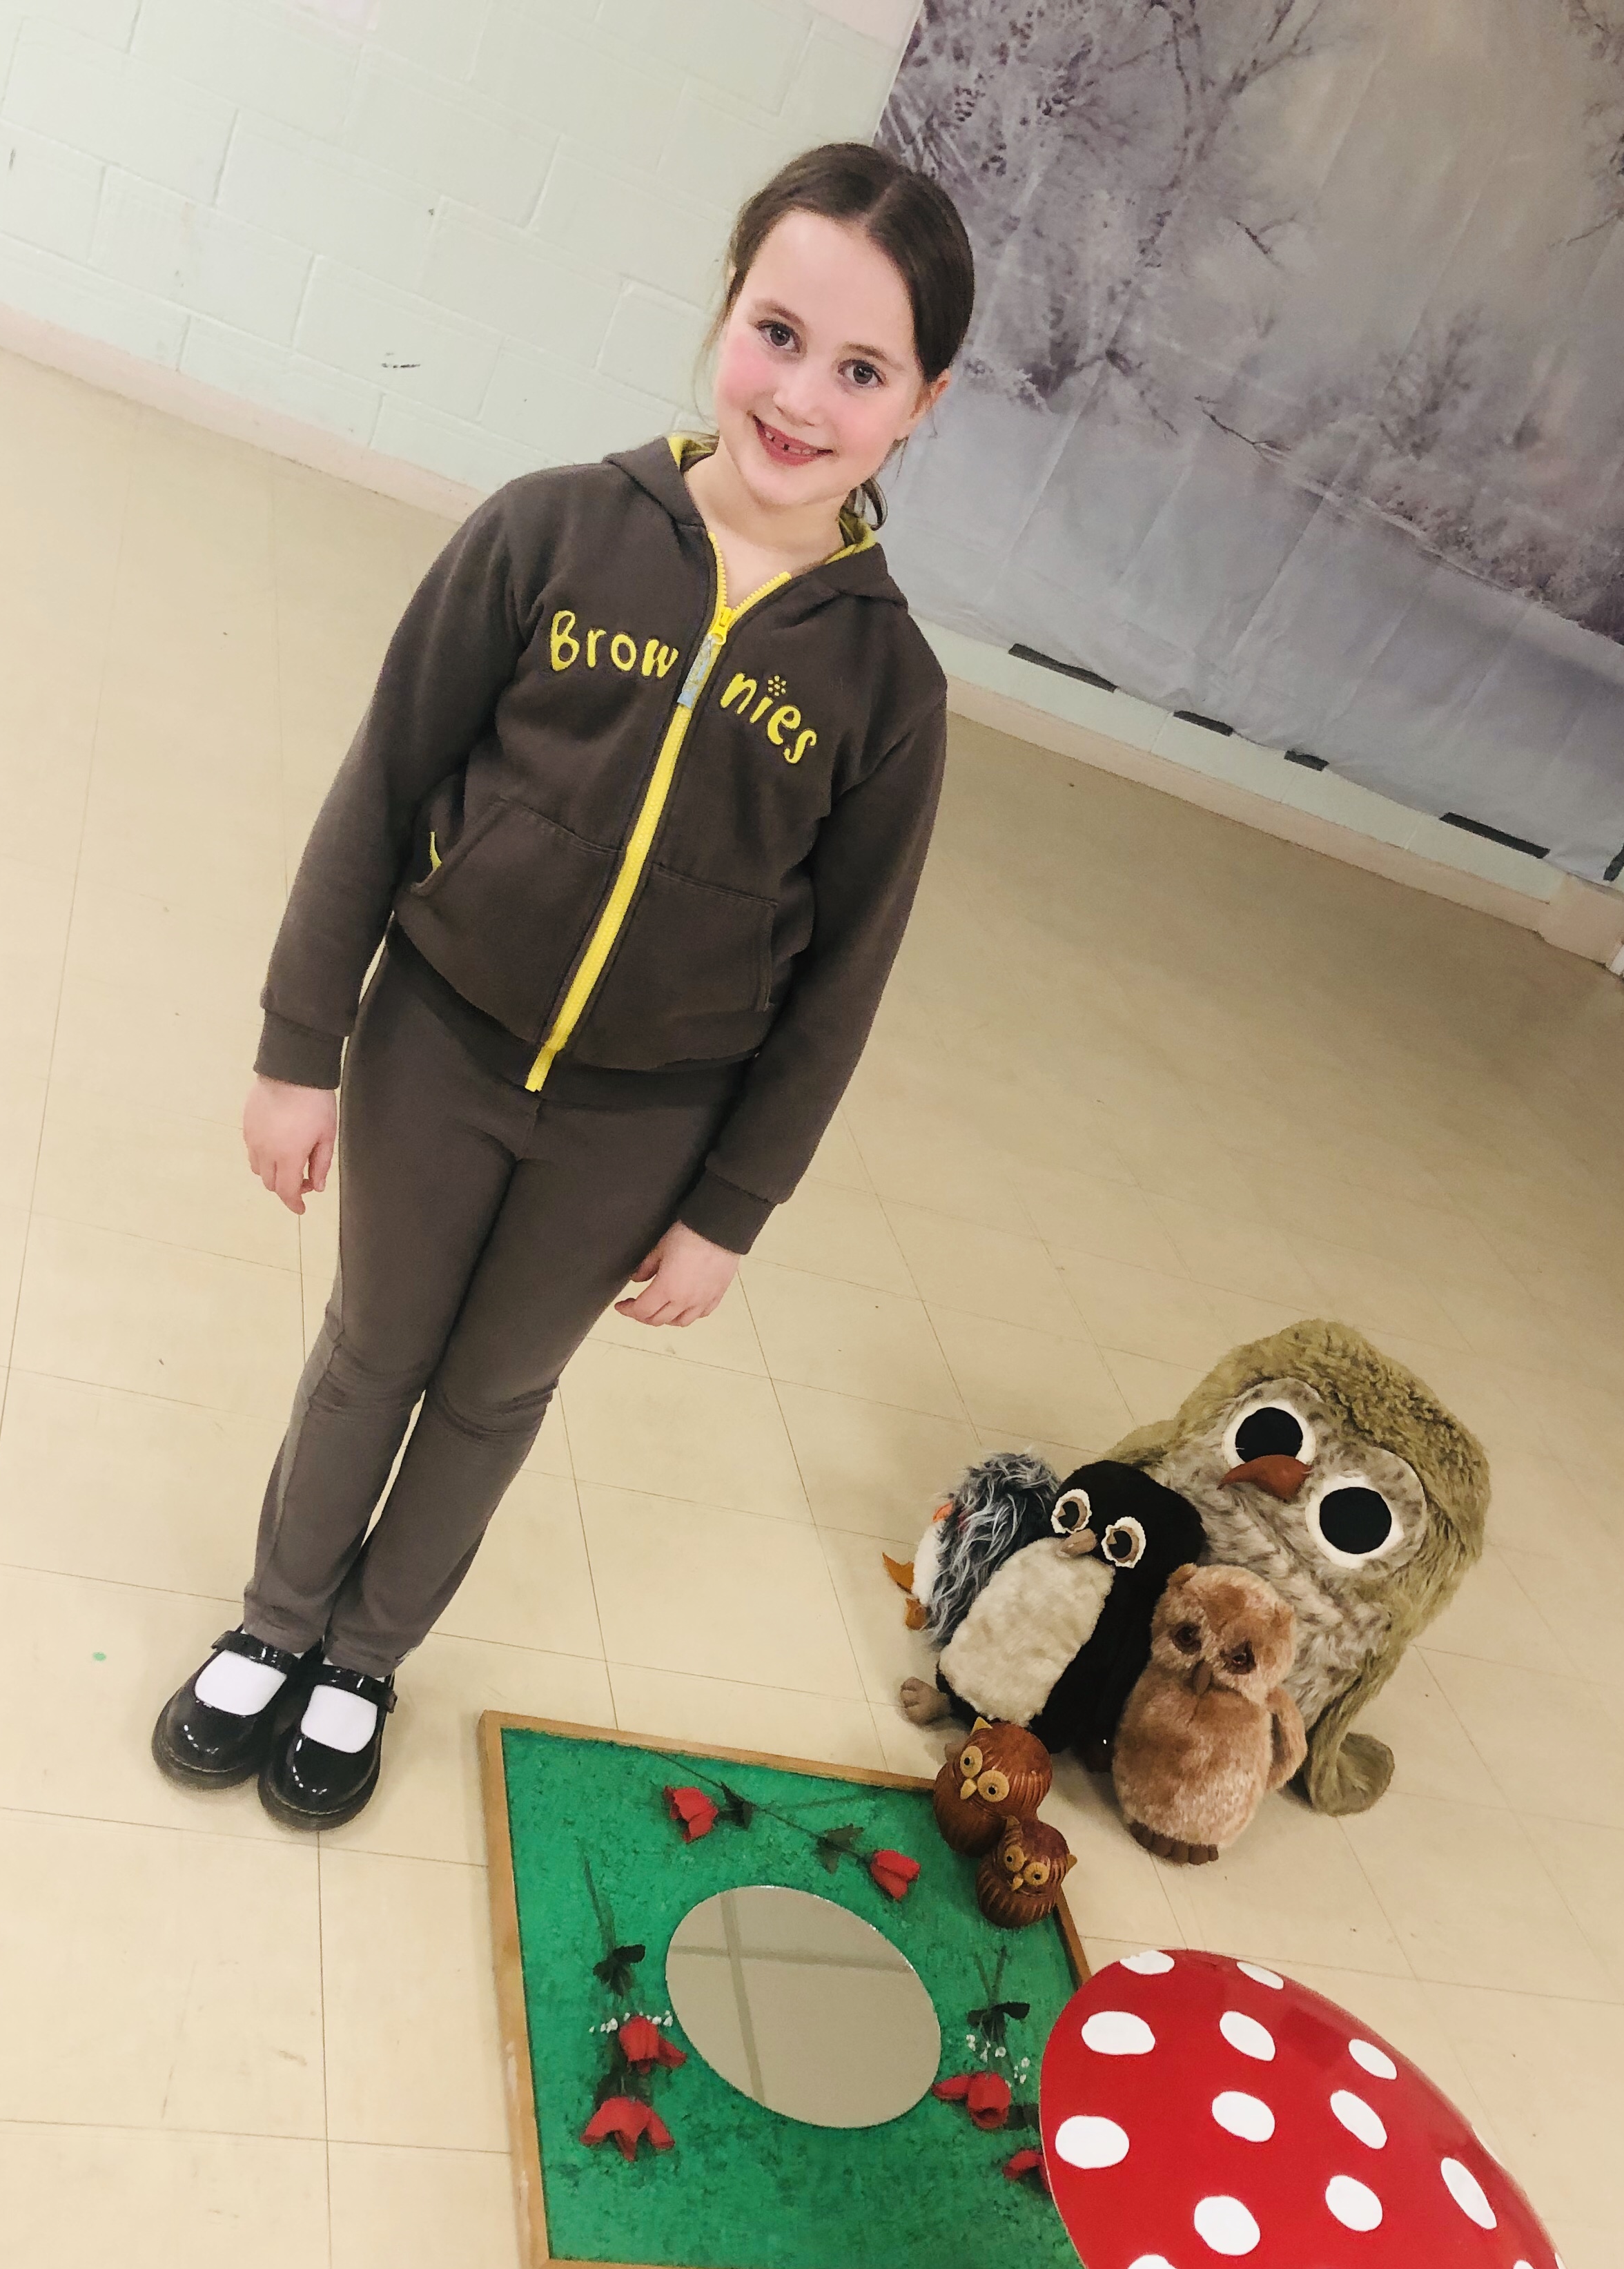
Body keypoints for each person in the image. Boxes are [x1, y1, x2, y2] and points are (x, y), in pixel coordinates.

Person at [152, 141, 974, 1827]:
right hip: (432, 1050)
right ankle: (276, 1622)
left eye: (862, 369)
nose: (800, 397)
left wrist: (730, 1208)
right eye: (777, 333)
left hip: (638, 1129)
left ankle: (365, 1657)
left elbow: (843, 981)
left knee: (490, 1396)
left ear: (923, 405)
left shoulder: (889, 687)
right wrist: (300, 1047)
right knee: (372, 1352)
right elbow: (382, 787)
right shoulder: (550, 530)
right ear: (725, 311)